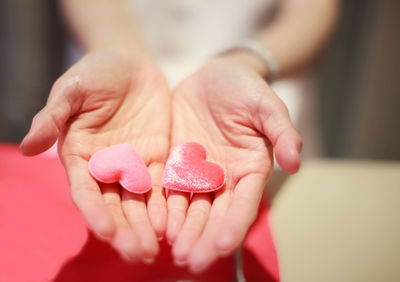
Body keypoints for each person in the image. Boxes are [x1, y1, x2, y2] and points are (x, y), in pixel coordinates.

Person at [20, 0, 339, 274]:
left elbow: (310, 12)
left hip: (237, 121)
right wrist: (119, 51)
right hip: (117, 108)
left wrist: (247, 62)